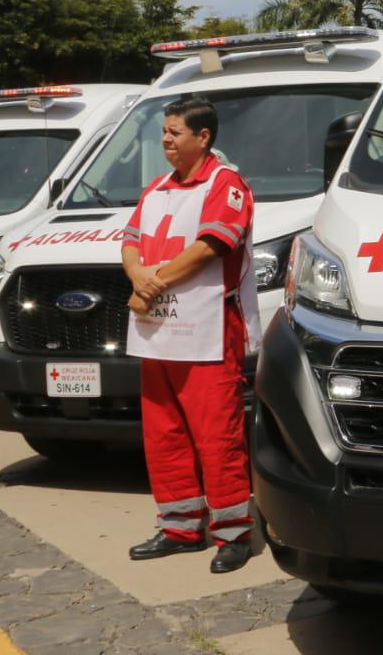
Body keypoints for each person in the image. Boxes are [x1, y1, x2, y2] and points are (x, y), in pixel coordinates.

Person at [122, 98, 261, 574]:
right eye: (163, 131)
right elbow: (130, 240)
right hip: (157, 332)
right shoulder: (157, 189)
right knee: (164, 432)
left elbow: (211, 246)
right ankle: (181, 526)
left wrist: (152, 283)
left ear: (203, 138)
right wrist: (138, 274)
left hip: (207, 330)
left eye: (175, 132)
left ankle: (233, 532)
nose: (166, 140)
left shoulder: (226, 185)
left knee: (217, 434)